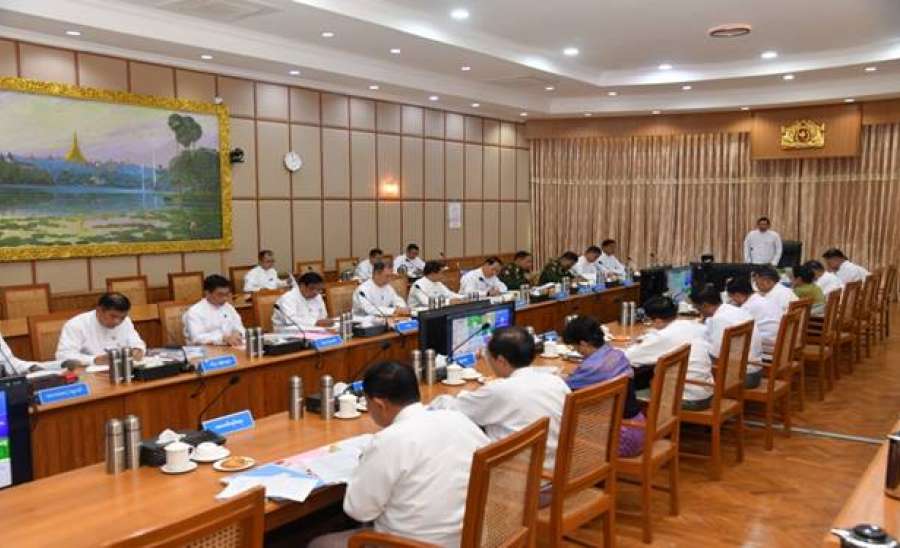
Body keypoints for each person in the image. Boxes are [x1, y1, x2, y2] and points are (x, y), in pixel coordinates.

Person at [308, 362, 490, 548]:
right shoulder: (458, 419)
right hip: (471, 538)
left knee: (319, 544)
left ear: (379, 404)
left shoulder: (388, 441)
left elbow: (359, 511)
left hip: (410, 544)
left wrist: (364, 466)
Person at [430, 326, 570, 470]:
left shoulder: (501, 390)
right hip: (555, 465)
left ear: (501, 361)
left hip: (514, 473)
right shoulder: (556, 381)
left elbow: (455, 409)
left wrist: (439, 399)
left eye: (487, 355)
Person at [562, 316, 644, 457]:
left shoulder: (591, 369)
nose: (576, 351)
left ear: (583, 343)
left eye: (574, 347)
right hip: (639, 429)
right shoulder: (617, 355)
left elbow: (564, 389)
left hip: (620, 438)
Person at [624, 296, 715, 411]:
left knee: (629, 390)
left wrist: (643, 342)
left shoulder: (663, 337)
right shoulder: (694, 326)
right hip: (707, 392)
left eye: (649, 321)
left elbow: (628, 357)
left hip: (685, 399)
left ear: (657, 321)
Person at [692, 284, 764, 388]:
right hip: (755, 370)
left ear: (705, 305)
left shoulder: (719, 319)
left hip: (742, 376)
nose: (699, 312)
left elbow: (716, 357)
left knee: (695, 364)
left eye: (697, 308)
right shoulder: (736, 310)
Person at [56, 292, 147, 365]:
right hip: (90, 375)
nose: (117, 321)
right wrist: (94, 360)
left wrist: (138, 350)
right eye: (113, 316)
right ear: (99, 310)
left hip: (122, 370)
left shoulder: (126, 321)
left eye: (122, 317)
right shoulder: (76, 324)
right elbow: (63, 355)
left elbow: (137, 342)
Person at [726, 277, 783, 355]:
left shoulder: (747, 308)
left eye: (732, 298)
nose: (732, 301)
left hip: (770, 346)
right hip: (782, 341)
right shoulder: (761, 299)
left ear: (738, 295)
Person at [183, 274, 245, 345]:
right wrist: (223, 338)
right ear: (207, 293)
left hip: (230, 347)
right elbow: (197, 338)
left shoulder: (228, 307)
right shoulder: (195, 312)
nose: (225, 298)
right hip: (204, 349)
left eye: (227, 294)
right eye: (220, 294)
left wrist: (237, 333)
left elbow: (239, 326)